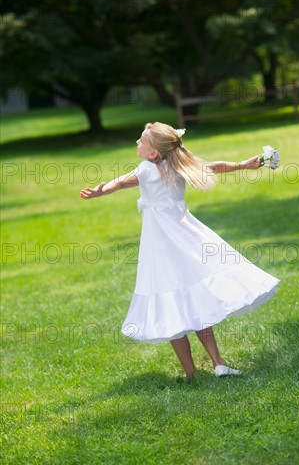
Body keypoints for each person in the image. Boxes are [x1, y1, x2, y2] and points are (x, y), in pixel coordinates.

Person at [80, 122, 279, 380]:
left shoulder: (146, 169)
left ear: (153, 153)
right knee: (194, 297)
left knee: (169, 300)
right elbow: (215, 166)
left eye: (141, 141)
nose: (137, 144)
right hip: (185, 236)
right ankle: (218, 363)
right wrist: (243, 164)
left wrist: (101, 191)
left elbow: (119, 182)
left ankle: (191, 374)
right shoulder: (178, 165)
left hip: (161, 244)